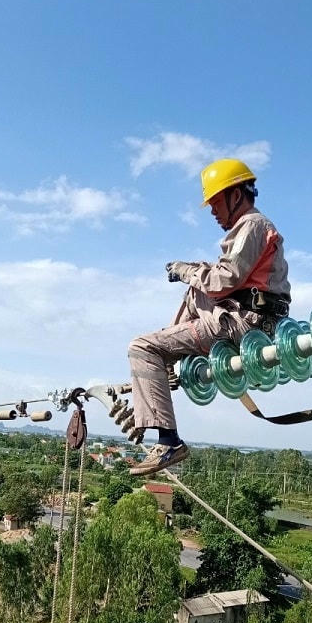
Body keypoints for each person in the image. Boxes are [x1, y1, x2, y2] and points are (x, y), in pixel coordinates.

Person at [127, 158, 291, 477]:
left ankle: (168, 440)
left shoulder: (252, 225)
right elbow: (215, 284)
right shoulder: (253, 227)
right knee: (195, 290)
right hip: (255, 318)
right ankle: (166, 366)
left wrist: (184, 270)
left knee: (142, 348)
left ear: (236, 195)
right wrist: (194, 273)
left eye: (215, 203)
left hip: (245, 324)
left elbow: (222, 281)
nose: (213, 212)